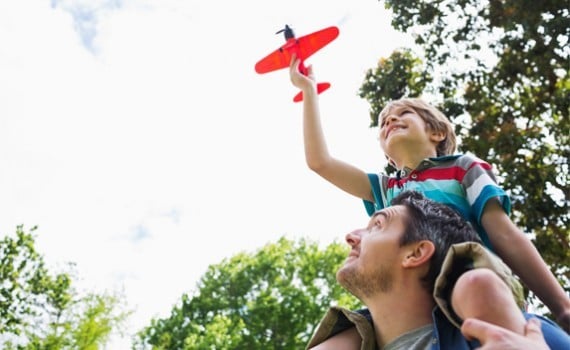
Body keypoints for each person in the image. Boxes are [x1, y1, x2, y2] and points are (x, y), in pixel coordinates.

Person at [288, 55, 570, 340]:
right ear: (386, 153)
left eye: (404, 113)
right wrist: (309, 92)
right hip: (402, 297)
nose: (390, 120)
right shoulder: (385, 189)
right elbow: (319, 162)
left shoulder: (463, 168)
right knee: (338, 339)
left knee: (474, 288)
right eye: (384, 122)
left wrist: (561, 306)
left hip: (467, 278)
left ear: (436, 132)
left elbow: (505, 234)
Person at [306, 191, 570, 349]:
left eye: (377, 225)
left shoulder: (508, 329)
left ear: (416, 253)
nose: (350, 236)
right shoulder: (340, 343)